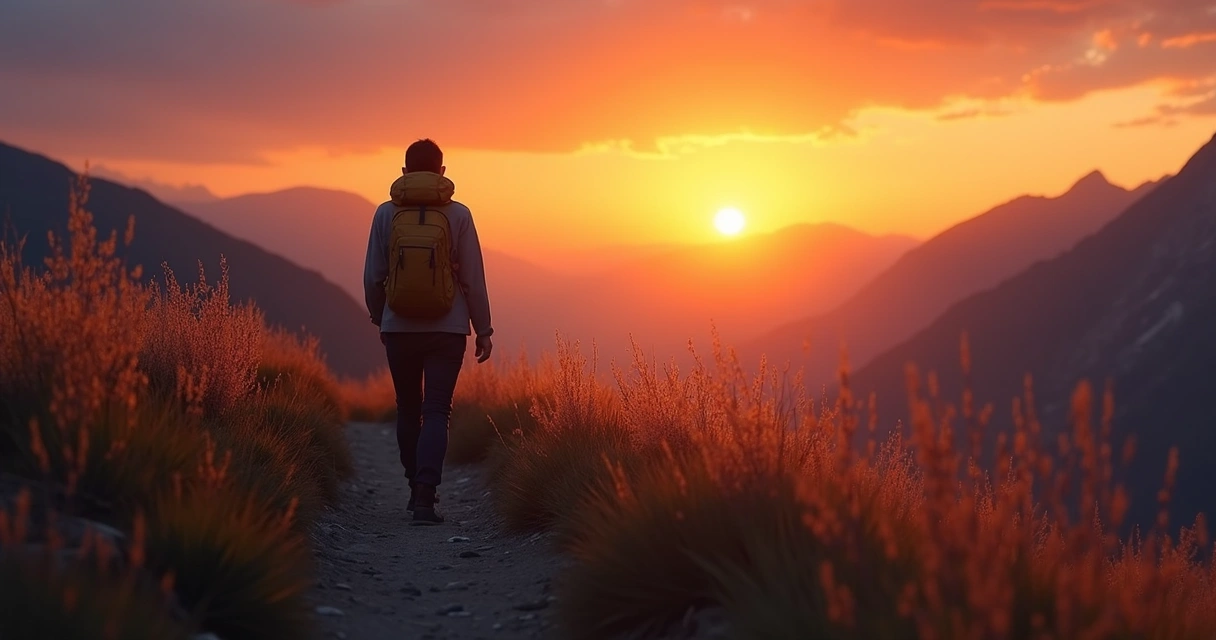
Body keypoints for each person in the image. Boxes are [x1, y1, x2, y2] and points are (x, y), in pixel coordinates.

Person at [363, 139, 494, 525]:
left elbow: (373, 276)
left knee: (408, 407)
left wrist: (381, 317)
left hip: (399, 327)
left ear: (405, 172)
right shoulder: (459, 215)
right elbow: (473, 279)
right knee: (437, 410)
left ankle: (412, 487)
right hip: (447, 330)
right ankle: (426, 495)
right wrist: (483, 329)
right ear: (442, 172)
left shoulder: (385, 213)